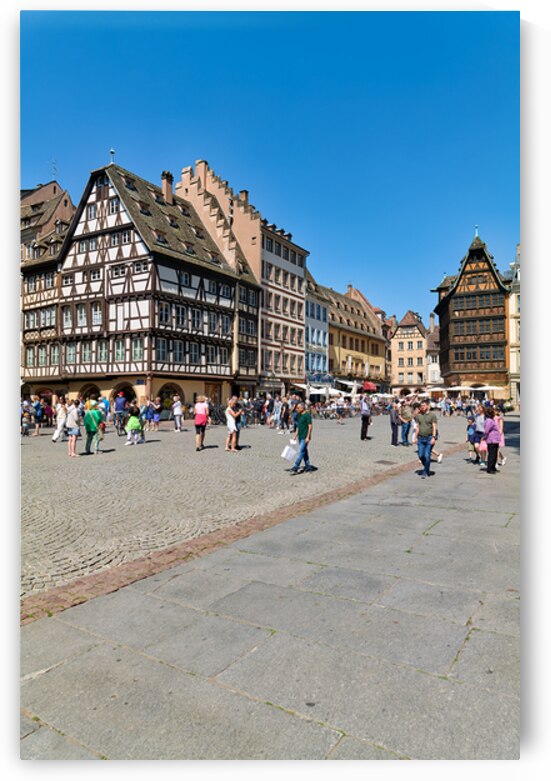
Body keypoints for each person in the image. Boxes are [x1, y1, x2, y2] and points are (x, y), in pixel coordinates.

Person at [290, 402, 315, 475]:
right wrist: (295, 435)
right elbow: (298, 426)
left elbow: (310, 427)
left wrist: (308, 437)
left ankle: (296, 466)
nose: (297, 409)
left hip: (305, 437)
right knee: (304, 452)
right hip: (300, 436)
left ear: (302, 408)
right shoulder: (299, 415)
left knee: (300, 451)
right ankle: (308, 466)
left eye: (298, 408)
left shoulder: (307, 415)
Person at [415, 398, 438, 478]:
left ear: (428, 406)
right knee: (421, 455)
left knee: (427, 455)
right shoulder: (419, 416)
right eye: (421, 406)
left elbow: (434, 427)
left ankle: (425, 471)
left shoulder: (432, 415)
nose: (422, 407)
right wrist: (415, 437)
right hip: (420, 438)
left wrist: (434, 437)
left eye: (424, 405)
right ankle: (426, 468)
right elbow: (417, 427)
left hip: (429, 438)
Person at [481, 406, 501, 474]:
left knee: (494, 454)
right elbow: (486, 430)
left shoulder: (491, 420)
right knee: (492, 454)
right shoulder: (489, 420)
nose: (494, 413)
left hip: (495, 439)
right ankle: (489, 468)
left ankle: (493, 467)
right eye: (493, 412)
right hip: (491, 439)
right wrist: (484, 437)